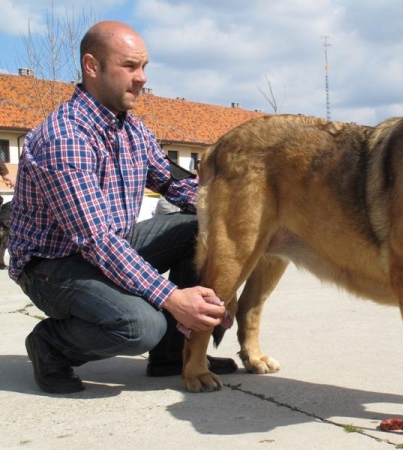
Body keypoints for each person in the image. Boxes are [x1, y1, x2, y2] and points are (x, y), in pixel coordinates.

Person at [8, 21, 236, 394]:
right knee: (140, 326)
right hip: (52, 266)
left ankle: (171, 353)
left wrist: (238, 228)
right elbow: (96, 240)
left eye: (144, 66)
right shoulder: (66, 138)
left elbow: (177, 186)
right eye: (130, 66)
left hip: (115, 242)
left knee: (203, 226)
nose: (142, 78)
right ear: (92, 66)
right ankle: (49, 346)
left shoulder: (133, 130)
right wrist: (175, 299)